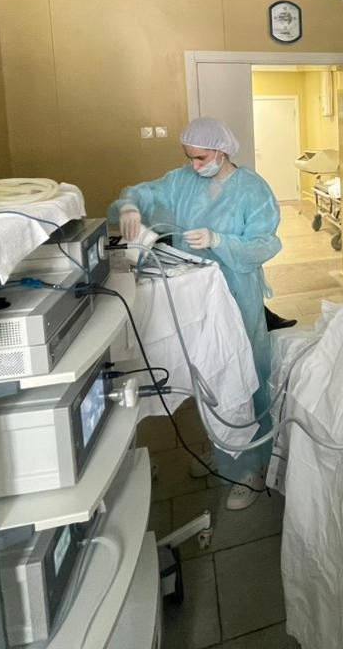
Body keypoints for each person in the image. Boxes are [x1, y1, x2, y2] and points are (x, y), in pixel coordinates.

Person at [109, 117, 281, 510]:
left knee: (244, 375)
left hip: (237, 294)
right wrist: (130, 206)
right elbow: (142, 192)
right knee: (208, 376)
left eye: (200, 157)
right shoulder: (181, 181)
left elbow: (266, 243)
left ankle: (250, 465)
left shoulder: (252, 189)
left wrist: (220, 240)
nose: (194, 164)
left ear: (221, 151)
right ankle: (223, 448)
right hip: (195, 297)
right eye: (189, 157)